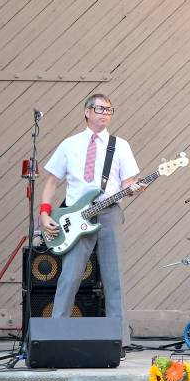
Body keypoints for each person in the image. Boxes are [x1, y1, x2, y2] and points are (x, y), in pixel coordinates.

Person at [39, 94, 144, 357]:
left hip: (109, 213)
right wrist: (44, 213)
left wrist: (133, 189)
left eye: (109, 109)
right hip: (77, 218)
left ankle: (118, 341)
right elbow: (51, 181)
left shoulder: (120, 146)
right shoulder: (70, 144)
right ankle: (55, 335)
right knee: (69, 276)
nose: (105, 113)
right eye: (99, 108)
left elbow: (128, 182)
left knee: (114, 277)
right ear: (87, 111)